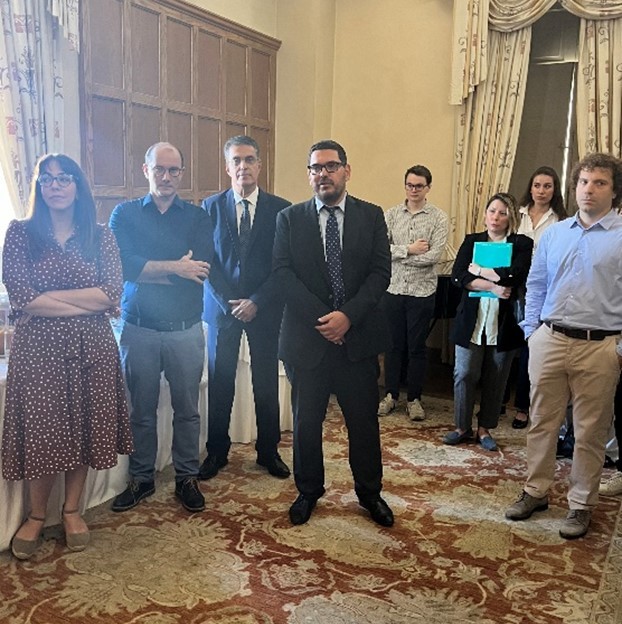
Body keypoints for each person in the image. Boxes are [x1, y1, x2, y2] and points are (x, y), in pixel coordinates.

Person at [2, 153, 133, 559]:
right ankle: (36, 515)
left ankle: (72, 510)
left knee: (85, 426)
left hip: (92, 348)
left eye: (64, 178)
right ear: (38, 187)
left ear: (78, 185)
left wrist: (48, 299)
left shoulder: (100, 235)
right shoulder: (20, 233)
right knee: (41, 430)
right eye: (47, 179)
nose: (55, 186)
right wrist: (85, 303)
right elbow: (22, 297)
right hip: (37, 351)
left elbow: (111, 292)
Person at [273, 139, 394, 527]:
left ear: (346, 170)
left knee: (363, 424)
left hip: (358, 341)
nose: (322, 174)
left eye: (330, 166)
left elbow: (380, 273)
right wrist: (327, 320)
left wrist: (347, 317)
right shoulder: (289, 219)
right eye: (315, 168)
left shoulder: (371, 215)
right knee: (306, 425)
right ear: (309, 175)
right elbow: (282, 274)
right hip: (308, 341)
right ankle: (308, 491)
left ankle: (369, 493)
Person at [505, 152, 622, 539]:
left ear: (614, 191)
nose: (589, 190)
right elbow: (536, 284)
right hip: (550, 339)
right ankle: (535, 491)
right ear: (574, 188)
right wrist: (532, 331)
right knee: (541, 422)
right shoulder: (555, 234)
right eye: (584, 182)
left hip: (600, 346)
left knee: (590, 431)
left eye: (600, 183)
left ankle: (581, 504)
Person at [109, 142, 212, 513]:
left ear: (181, 173)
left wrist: (148, 269)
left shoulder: (198, 217)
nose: (166, 177)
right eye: (159, 169)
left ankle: (186, 477)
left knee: (188, 410)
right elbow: (122, 266)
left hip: (185, 329)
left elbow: (200, 270)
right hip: (139, 330)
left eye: (173, 170)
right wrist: (176, 267)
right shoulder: (124, 214)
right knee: (140, 411)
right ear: (146, 170)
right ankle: (141, 479)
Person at [199, 136, 291, 480]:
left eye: (249, 159)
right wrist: (229, 303)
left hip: (264, 310)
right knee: (220, 382)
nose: (243, 166)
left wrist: (256, 301)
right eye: (236, 160)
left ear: (259, 165)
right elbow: (206, 262)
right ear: (227, 167)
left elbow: (283, 265)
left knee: (265, 382)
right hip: (222, 310)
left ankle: (268, 451)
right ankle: (216, 452)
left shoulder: (281, 209)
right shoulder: (209, 207)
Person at [442, 193, 533, 452]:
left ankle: (485, 428)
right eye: (492, 211)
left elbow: (516, 275)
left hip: (504, 324)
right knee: (464, 373)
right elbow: (458, 276)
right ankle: (462, 427)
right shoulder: (472, 241)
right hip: (472, 320)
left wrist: (480, 271)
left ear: (511, 217)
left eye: (503, 213)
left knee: (497, 378)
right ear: (485, 214)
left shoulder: (521, 243)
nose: (496, 217)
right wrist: (493, 286)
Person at [378, 165, 448, 421]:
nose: (414, 190)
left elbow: (433, 256)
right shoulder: (391, 215)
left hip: (422, 292)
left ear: (428, 187)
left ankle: (414, 399)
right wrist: (409, 249)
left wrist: (399, 254)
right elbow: (381, 250)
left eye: (419, 186)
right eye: (410, 185)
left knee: (417, 348)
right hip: (393, 289)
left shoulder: (439, 218)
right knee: (393, 346)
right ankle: (390, 395)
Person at [510, 166, 567, 429]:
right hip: (510, 282)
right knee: (504, 343)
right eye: (537, 185)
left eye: (547, 186)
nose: (541, 191)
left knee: (530, 345)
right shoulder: (515, 214)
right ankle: (497, 402)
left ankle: (523, 406)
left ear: (554, 190)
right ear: (530, 188)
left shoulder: (561, 220)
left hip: (542, 288)